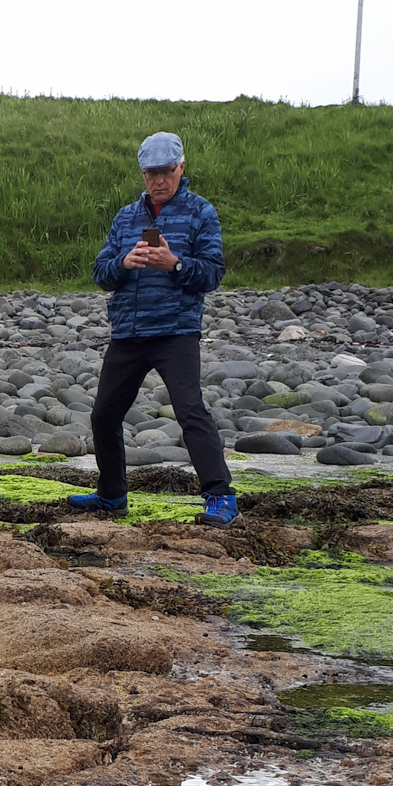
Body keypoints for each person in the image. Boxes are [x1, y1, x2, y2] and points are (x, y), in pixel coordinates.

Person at [68, 130, 237, 526]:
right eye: (150, 173)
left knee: (190, 410)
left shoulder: (200, 213)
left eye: (166, 172)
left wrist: (175, 265)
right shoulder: (126, 217)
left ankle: (221, 497)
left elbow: (213, 273)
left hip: (176, 331)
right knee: (104, 415)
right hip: (128, 332)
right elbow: (101, 273)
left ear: (181, 168)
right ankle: (112, 496)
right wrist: (124, 263)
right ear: (142, 174)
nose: (159, 180)